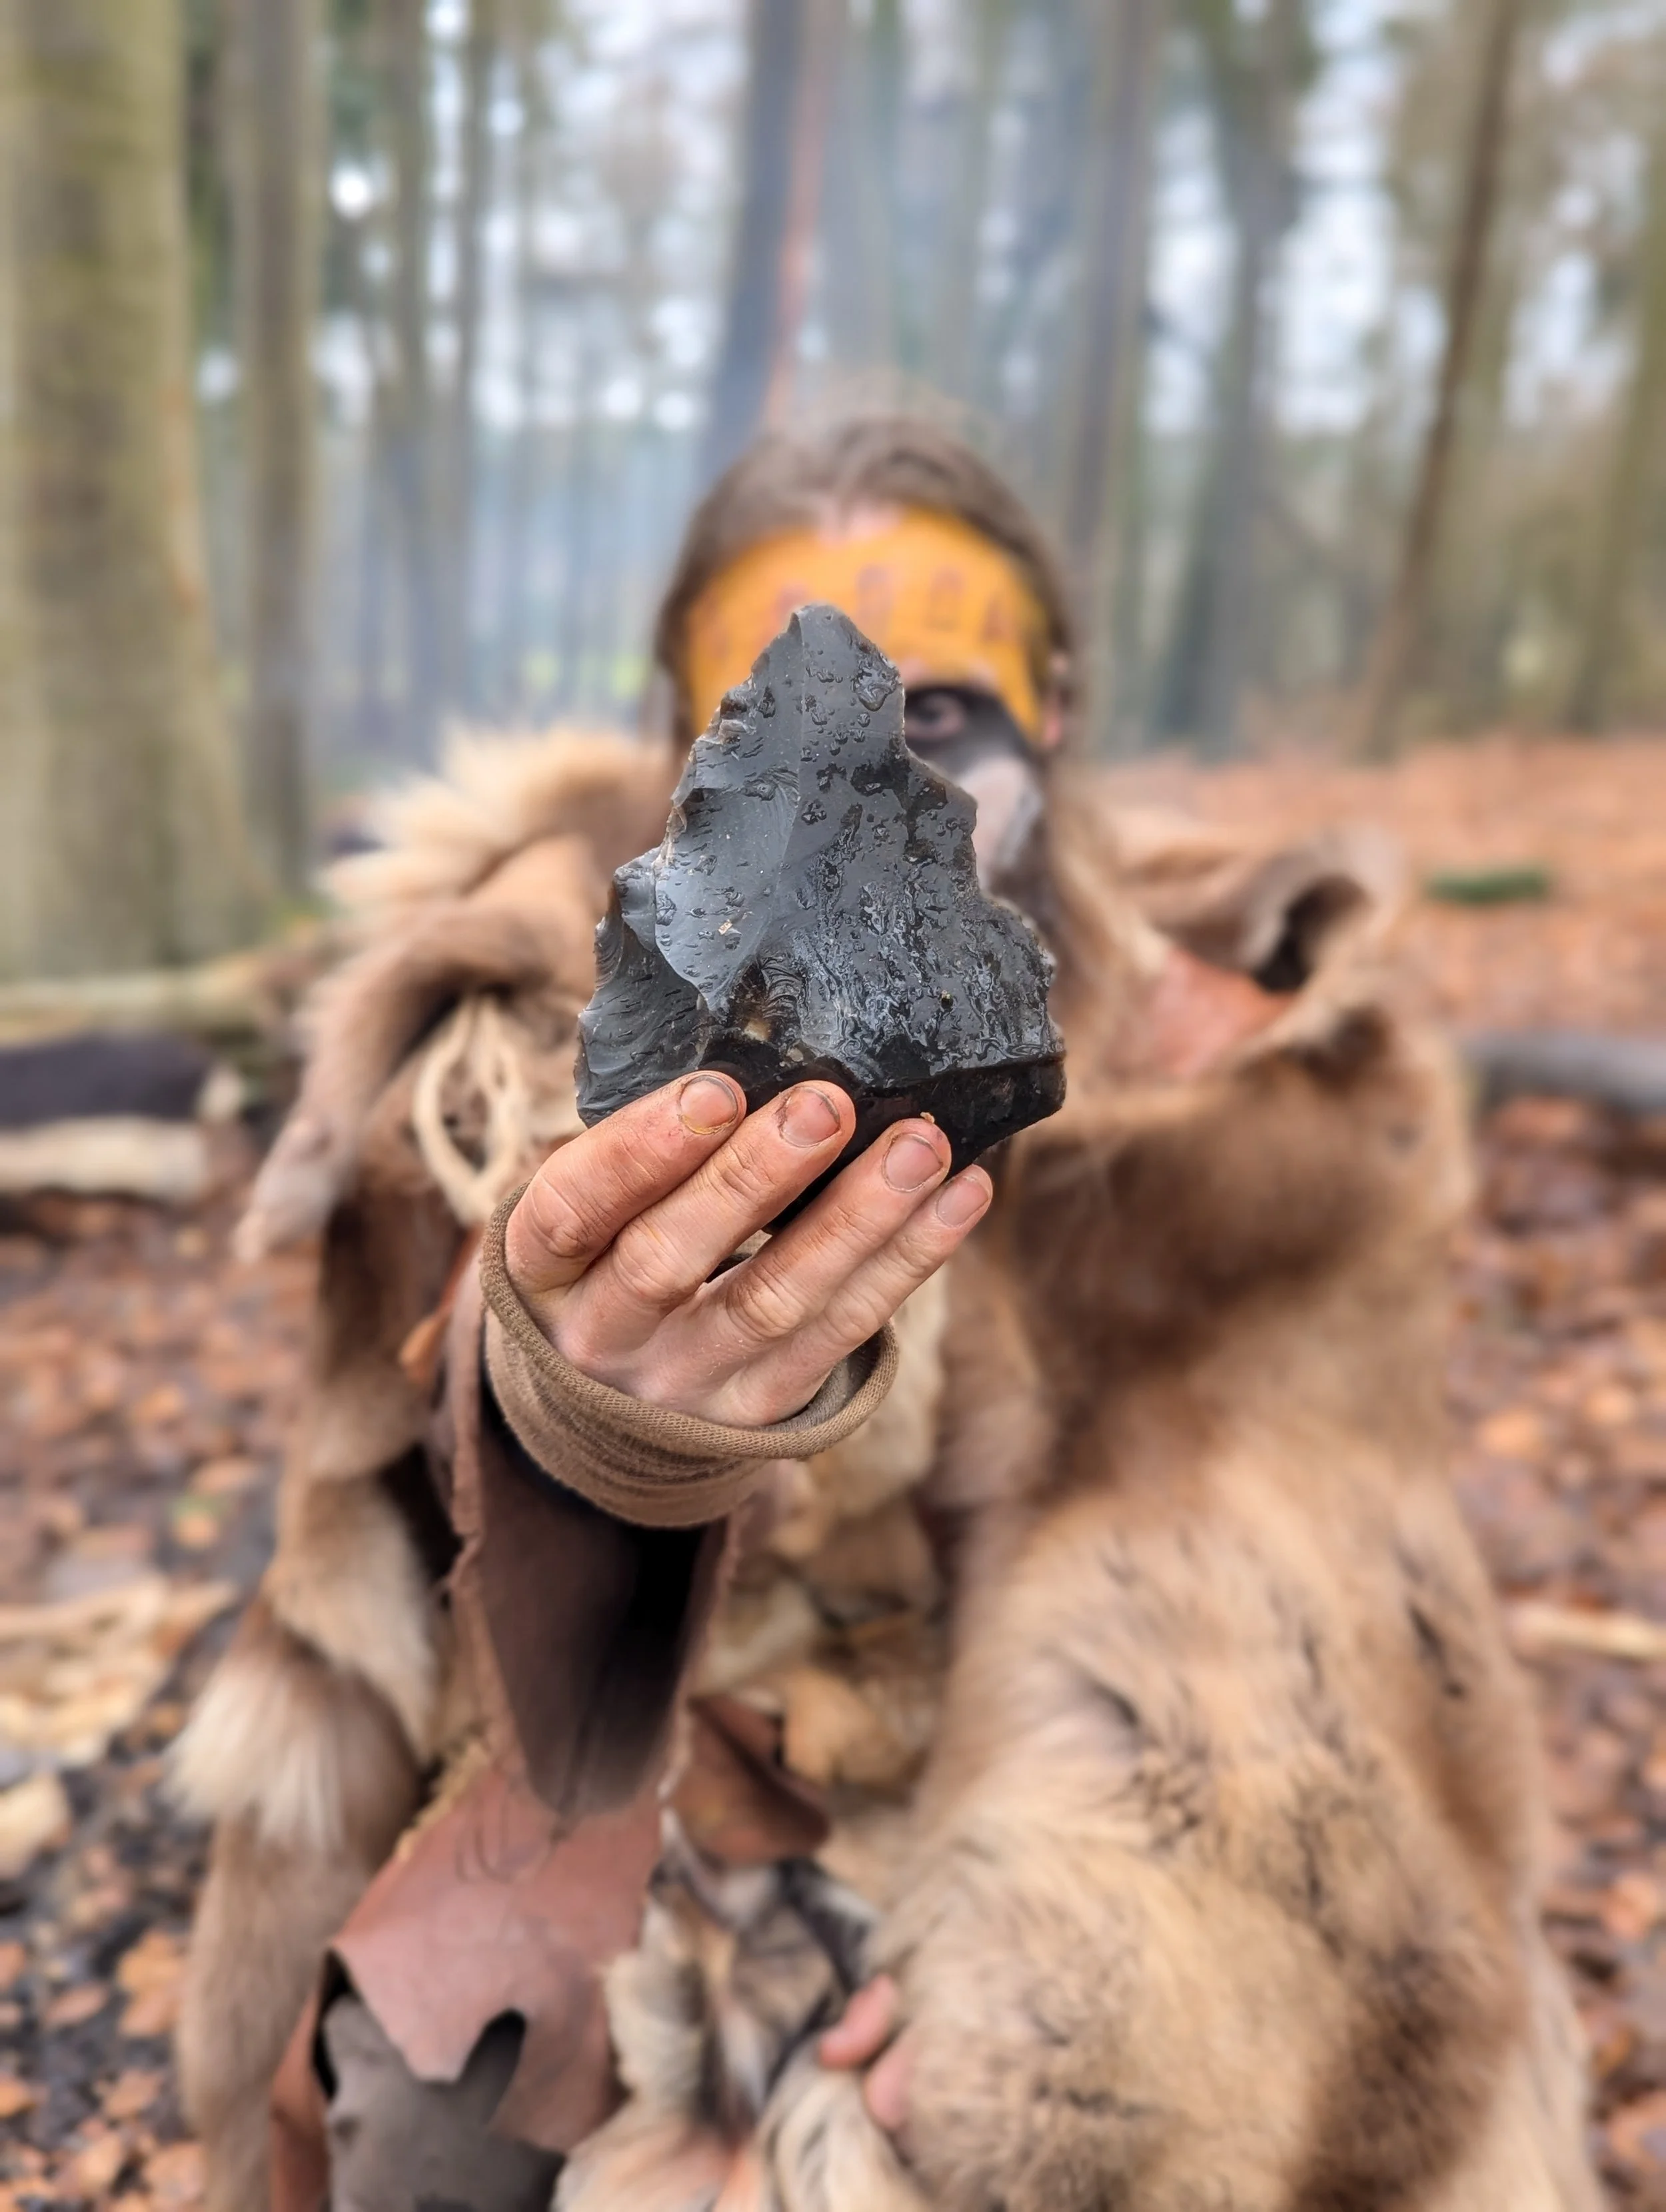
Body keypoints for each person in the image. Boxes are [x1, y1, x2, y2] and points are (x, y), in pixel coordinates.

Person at [174, 418, 1599, 2212]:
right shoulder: (518, 1024)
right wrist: (605, 1427)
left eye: (929, 717)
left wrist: (1102, 1968)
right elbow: (463, 1530)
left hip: (1136, 1808)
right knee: (433, 2115)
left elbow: (1300, 1608)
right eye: (784, 717)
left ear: (1052, 707)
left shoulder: (1245, 1075)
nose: (869, 794)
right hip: (676, 1767)